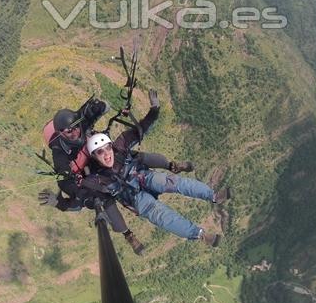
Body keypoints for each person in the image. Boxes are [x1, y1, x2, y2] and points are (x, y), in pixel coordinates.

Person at [77, 91, 231, 247]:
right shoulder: (95, 177)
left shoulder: (120, 145)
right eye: (100, 152)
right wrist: (60, 201)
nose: (106, 154)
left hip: (142, 176)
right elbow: (85, 198)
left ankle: (213, 196)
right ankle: (200, 235)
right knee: (160, 215)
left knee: (173, 182)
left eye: (107, 148)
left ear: (111, 145)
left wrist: (155, 109)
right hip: (134, 198)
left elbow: (142, 127)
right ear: (94, 155)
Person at [40, 96, 145, 255]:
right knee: (98, 199)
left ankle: (148, 183)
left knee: (123, 161)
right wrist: (61, 198)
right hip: (86, 170)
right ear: (61, 133)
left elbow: (102, 108)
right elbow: (63, 175)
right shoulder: (58, 150)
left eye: (75, 127)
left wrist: (97, 107)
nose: (75, 131)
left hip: (97, 153)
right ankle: (127, 234)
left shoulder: (80, 122)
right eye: (69, 131)